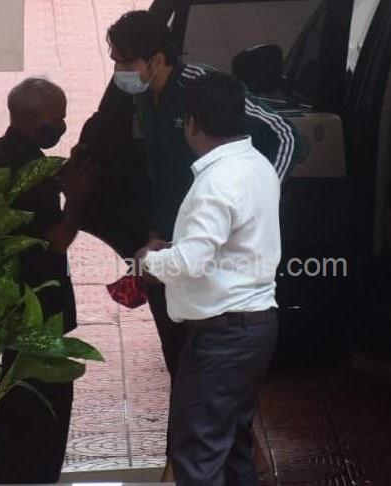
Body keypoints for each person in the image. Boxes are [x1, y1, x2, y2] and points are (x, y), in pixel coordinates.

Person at [106, 10, 297, 477]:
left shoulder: (202, 93)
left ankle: (184, 462)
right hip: (190, 266)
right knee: (210, 409)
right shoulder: (143, 99)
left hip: (210, 287)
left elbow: (285, 134)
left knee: (204, 436)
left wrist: (254, 199)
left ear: (156, 59)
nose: (118, 71)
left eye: (124, 61)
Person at [138, 71, 281, 485]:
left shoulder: (216, 183)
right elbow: (223, 246)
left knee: (198, 457)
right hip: (253, 329)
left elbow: (190, 262)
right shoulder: (257, 166)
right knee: (233, 449)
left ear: (192, 123)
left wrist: (149, 261)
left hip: (222, 338)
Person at [0, 77, 96, 484]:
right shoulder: (31, 172)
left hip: (7, 299)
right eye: (57, 119)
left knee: (16, 403)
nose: (62, 125)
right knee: (43, 409)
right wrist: (76, 197)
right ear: (33, 120)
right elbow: (58, 239)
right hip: (38, 305)